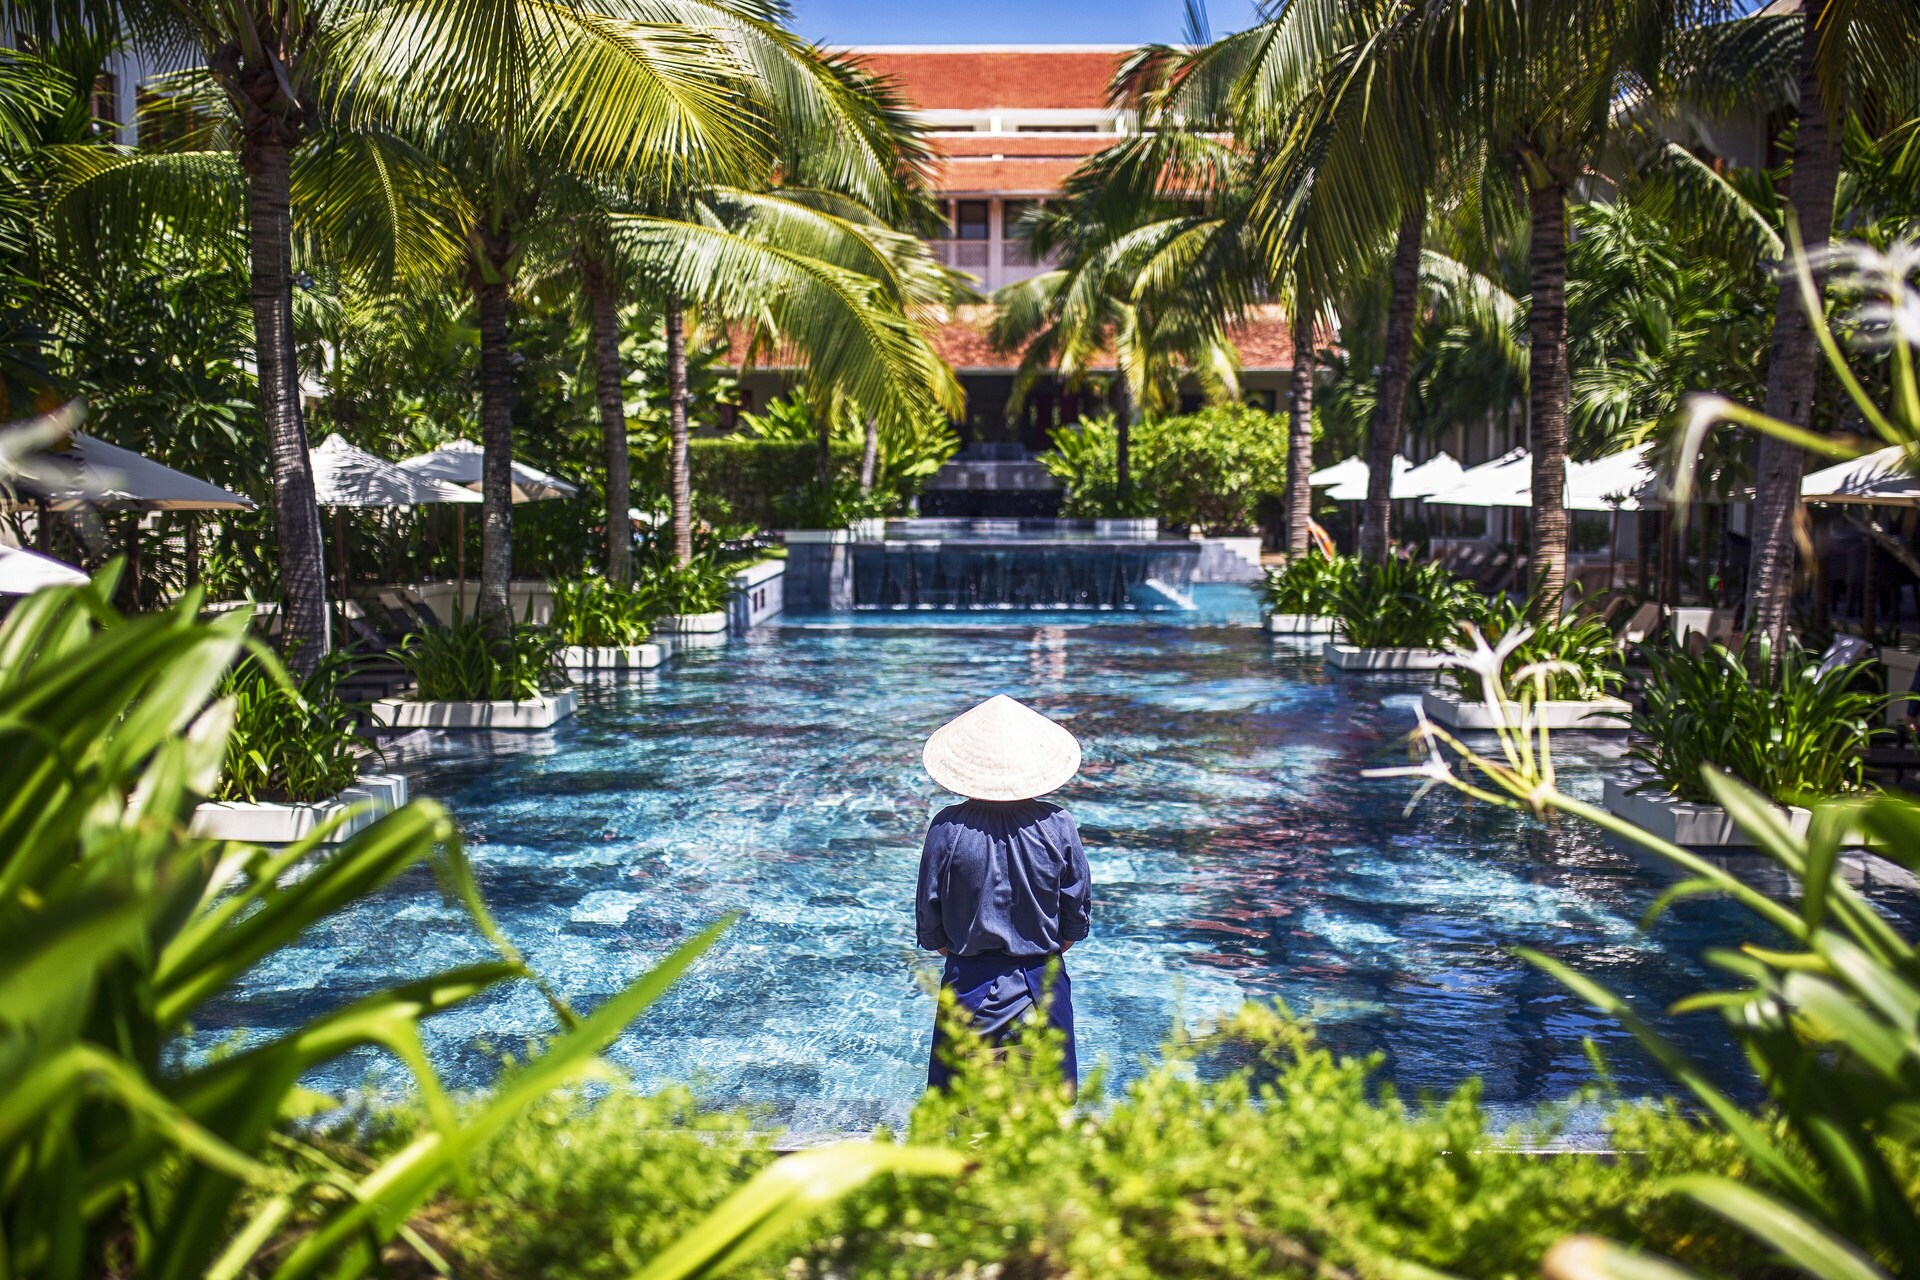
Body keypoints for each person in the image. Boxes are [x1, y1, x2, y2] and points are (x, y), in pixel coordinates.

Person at [915, 693, 1091, 1089]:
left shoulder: (946, 827)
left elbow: (929, 923)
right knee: (1042, 1124)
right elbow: (1075, 915)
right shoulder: (1058, 824)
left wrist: (961, 950)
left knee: (966, 1121)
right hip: (1041, 990)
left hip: (968, 991)